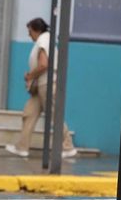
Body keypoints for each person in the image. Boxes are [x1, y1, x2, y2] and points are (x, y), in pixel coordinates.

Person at [5, 18, 77, 158]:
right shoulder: (43, 40)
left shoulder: (44, 40)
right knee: (29, 114)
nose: (28, 34)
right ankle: (22, 147)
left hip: (46, 85)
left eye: (29, 31)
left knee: (54, 116)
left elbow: (44, 64)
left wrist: (30, 76)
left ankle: (68, 146)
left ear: (36, 29)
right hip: (41, 86)